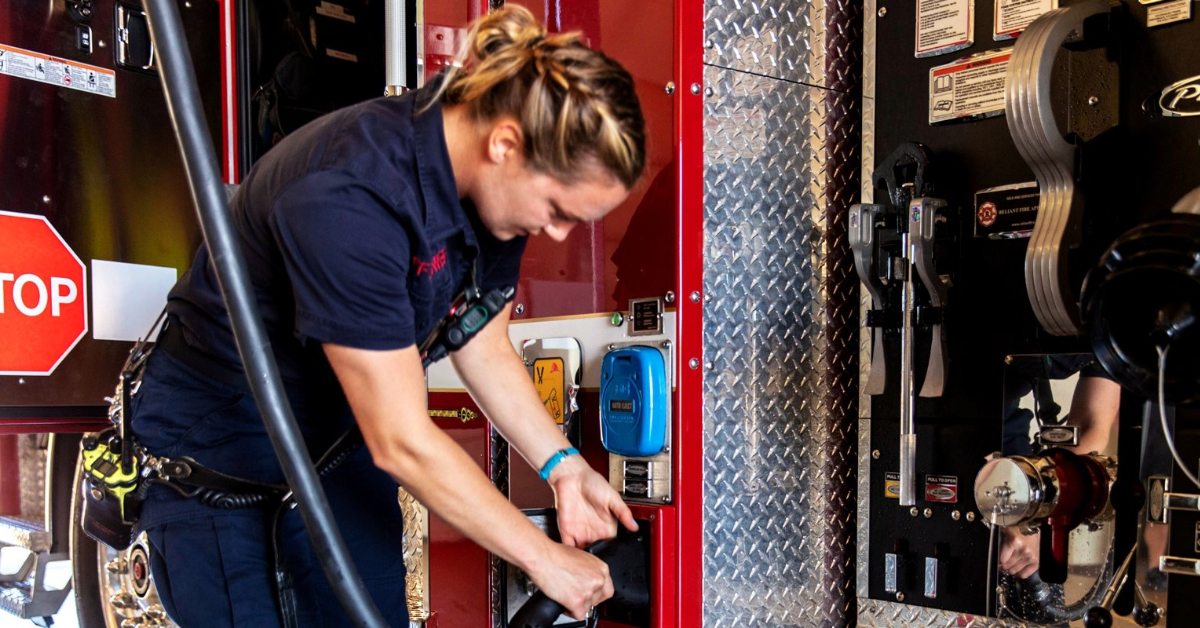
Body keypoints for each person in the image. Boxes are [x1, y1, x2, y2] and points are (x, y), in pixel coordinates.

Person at [128, 5, 646, 625]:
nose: (558, 234)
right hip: (221, 447)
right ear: (506, 143)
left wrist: (564, 467)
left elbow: (480, 339)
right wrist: (542, 557)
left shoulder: (491, 191)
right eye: (559, 208)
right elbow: (401, 439)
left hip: (332, 436)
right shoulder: (348, 195)